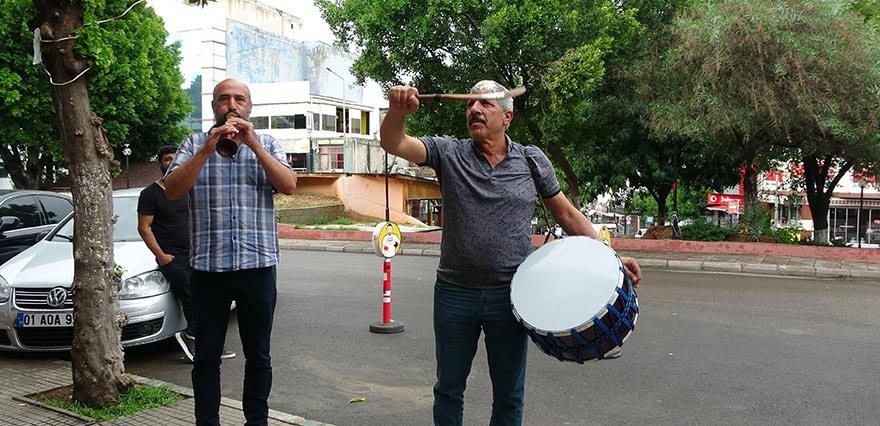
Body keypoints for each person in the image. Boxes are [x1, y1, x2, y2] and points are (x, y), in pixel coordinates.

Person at [380, 80, 643, 426]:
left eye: (485, 104)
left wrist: (610, 256)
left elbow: (566, 214)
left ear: (507, 117)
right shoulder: (449, 153)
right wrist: (397, 113)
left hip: (510, 298)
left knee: (508, 394)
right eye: (471, 104)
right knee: (448, 388)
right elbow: (393, 142)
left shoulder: (531, 161)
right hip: (454, 294)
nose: (474, 109)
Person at [163, 78, 298, 426]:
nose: (232, 105)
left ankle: (257, 421)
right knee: (206, 357)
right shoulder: (193, 143)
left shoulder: (266, 142)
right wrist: (206, 150)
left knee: (259, 357)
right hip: (208, 271)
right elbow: (172, 191)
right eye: (224, 99)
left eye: (239, 99)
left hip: (258, 267)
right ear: (214, 106)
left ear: (249, 108)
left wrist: (252, 142)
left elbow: (289, 185)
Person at [136, 146, 236, 362]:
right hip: (172, 256)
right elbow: (144, 227)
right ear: (159, 163)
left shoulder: (190, 189)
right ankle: (191, 334)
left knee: (209, 297)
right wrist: (161, 256)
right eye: (166, 159)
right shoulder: (150, 194)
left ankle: (205, 343)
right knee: (194, 296)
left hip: (198, 253)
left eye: (175, 158)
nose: (171, 162)